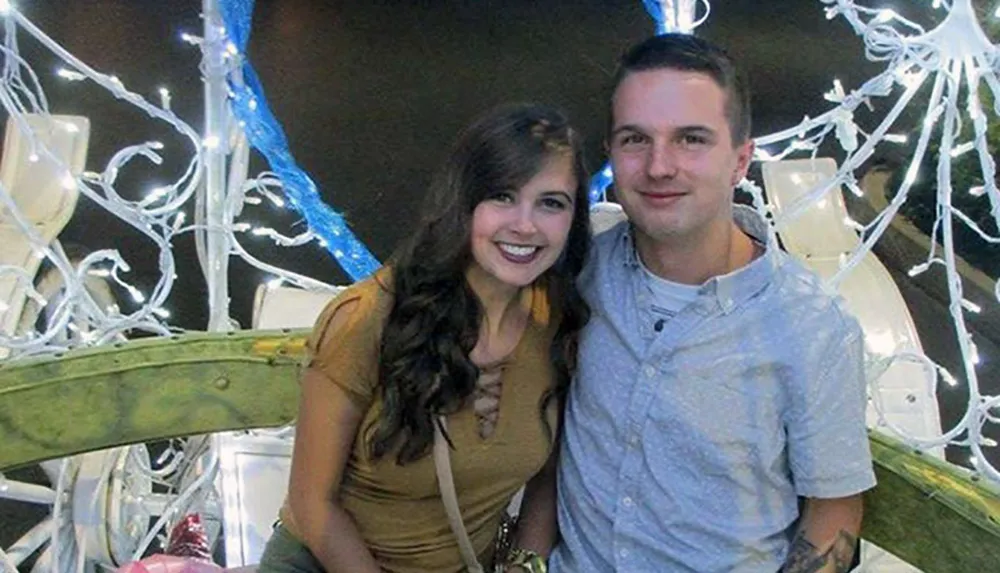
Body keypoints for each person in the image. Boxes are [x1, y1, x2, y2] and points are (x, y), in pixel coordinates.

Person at [549, 34, 876, 573]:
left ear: (740, 160)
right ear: (611, 151)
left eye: (691, 139)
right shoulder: (583, 266)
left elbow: (834, 510)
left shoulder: (812, 327)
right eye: (635, 139)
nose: (659, 166)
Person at [257, 102, 591, 573]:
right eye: (502, 196)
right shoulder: (369, 317)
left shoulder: (560, 321)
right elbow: (313, 503)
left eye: (551, 203)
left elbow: (551, 476)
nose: (525, 224)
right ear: (463, 203)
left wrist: (525, 565)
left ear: (574, 218)